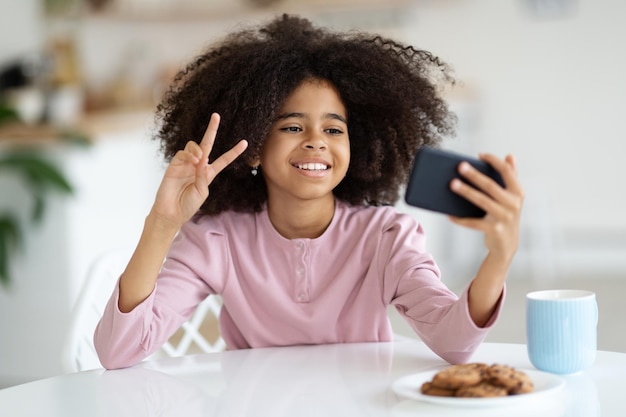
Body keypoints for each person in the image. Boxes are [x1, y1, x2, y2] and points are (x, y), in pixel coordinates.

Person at [94, 14, 524, 370]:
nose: (317, 141)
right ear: (254, 147)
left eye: (334, 129)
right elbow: (119, 352)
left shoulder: (386, 238)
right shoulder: (215, 239)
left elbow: (455, 343)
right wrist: (162, 224)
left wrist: (499, 258)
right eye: (293, 126)